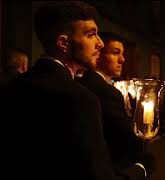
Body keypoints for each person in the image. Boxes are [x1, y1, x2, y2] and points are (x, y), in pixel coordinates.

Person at [0, 2, 134, 179]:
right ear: (63, 43)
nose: (100, 43)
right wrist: (140, 169)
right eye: (91, 35)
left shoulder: (11, 87)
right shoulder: (80, 99)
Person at [77, 32, 154, 179]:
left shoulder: (86, 82)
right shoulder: (105, 91)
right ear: (97, 54)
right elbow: (124, 136)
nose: (122, 60)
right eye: (115, 53)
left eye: (123, 53)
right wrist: (145, 129)